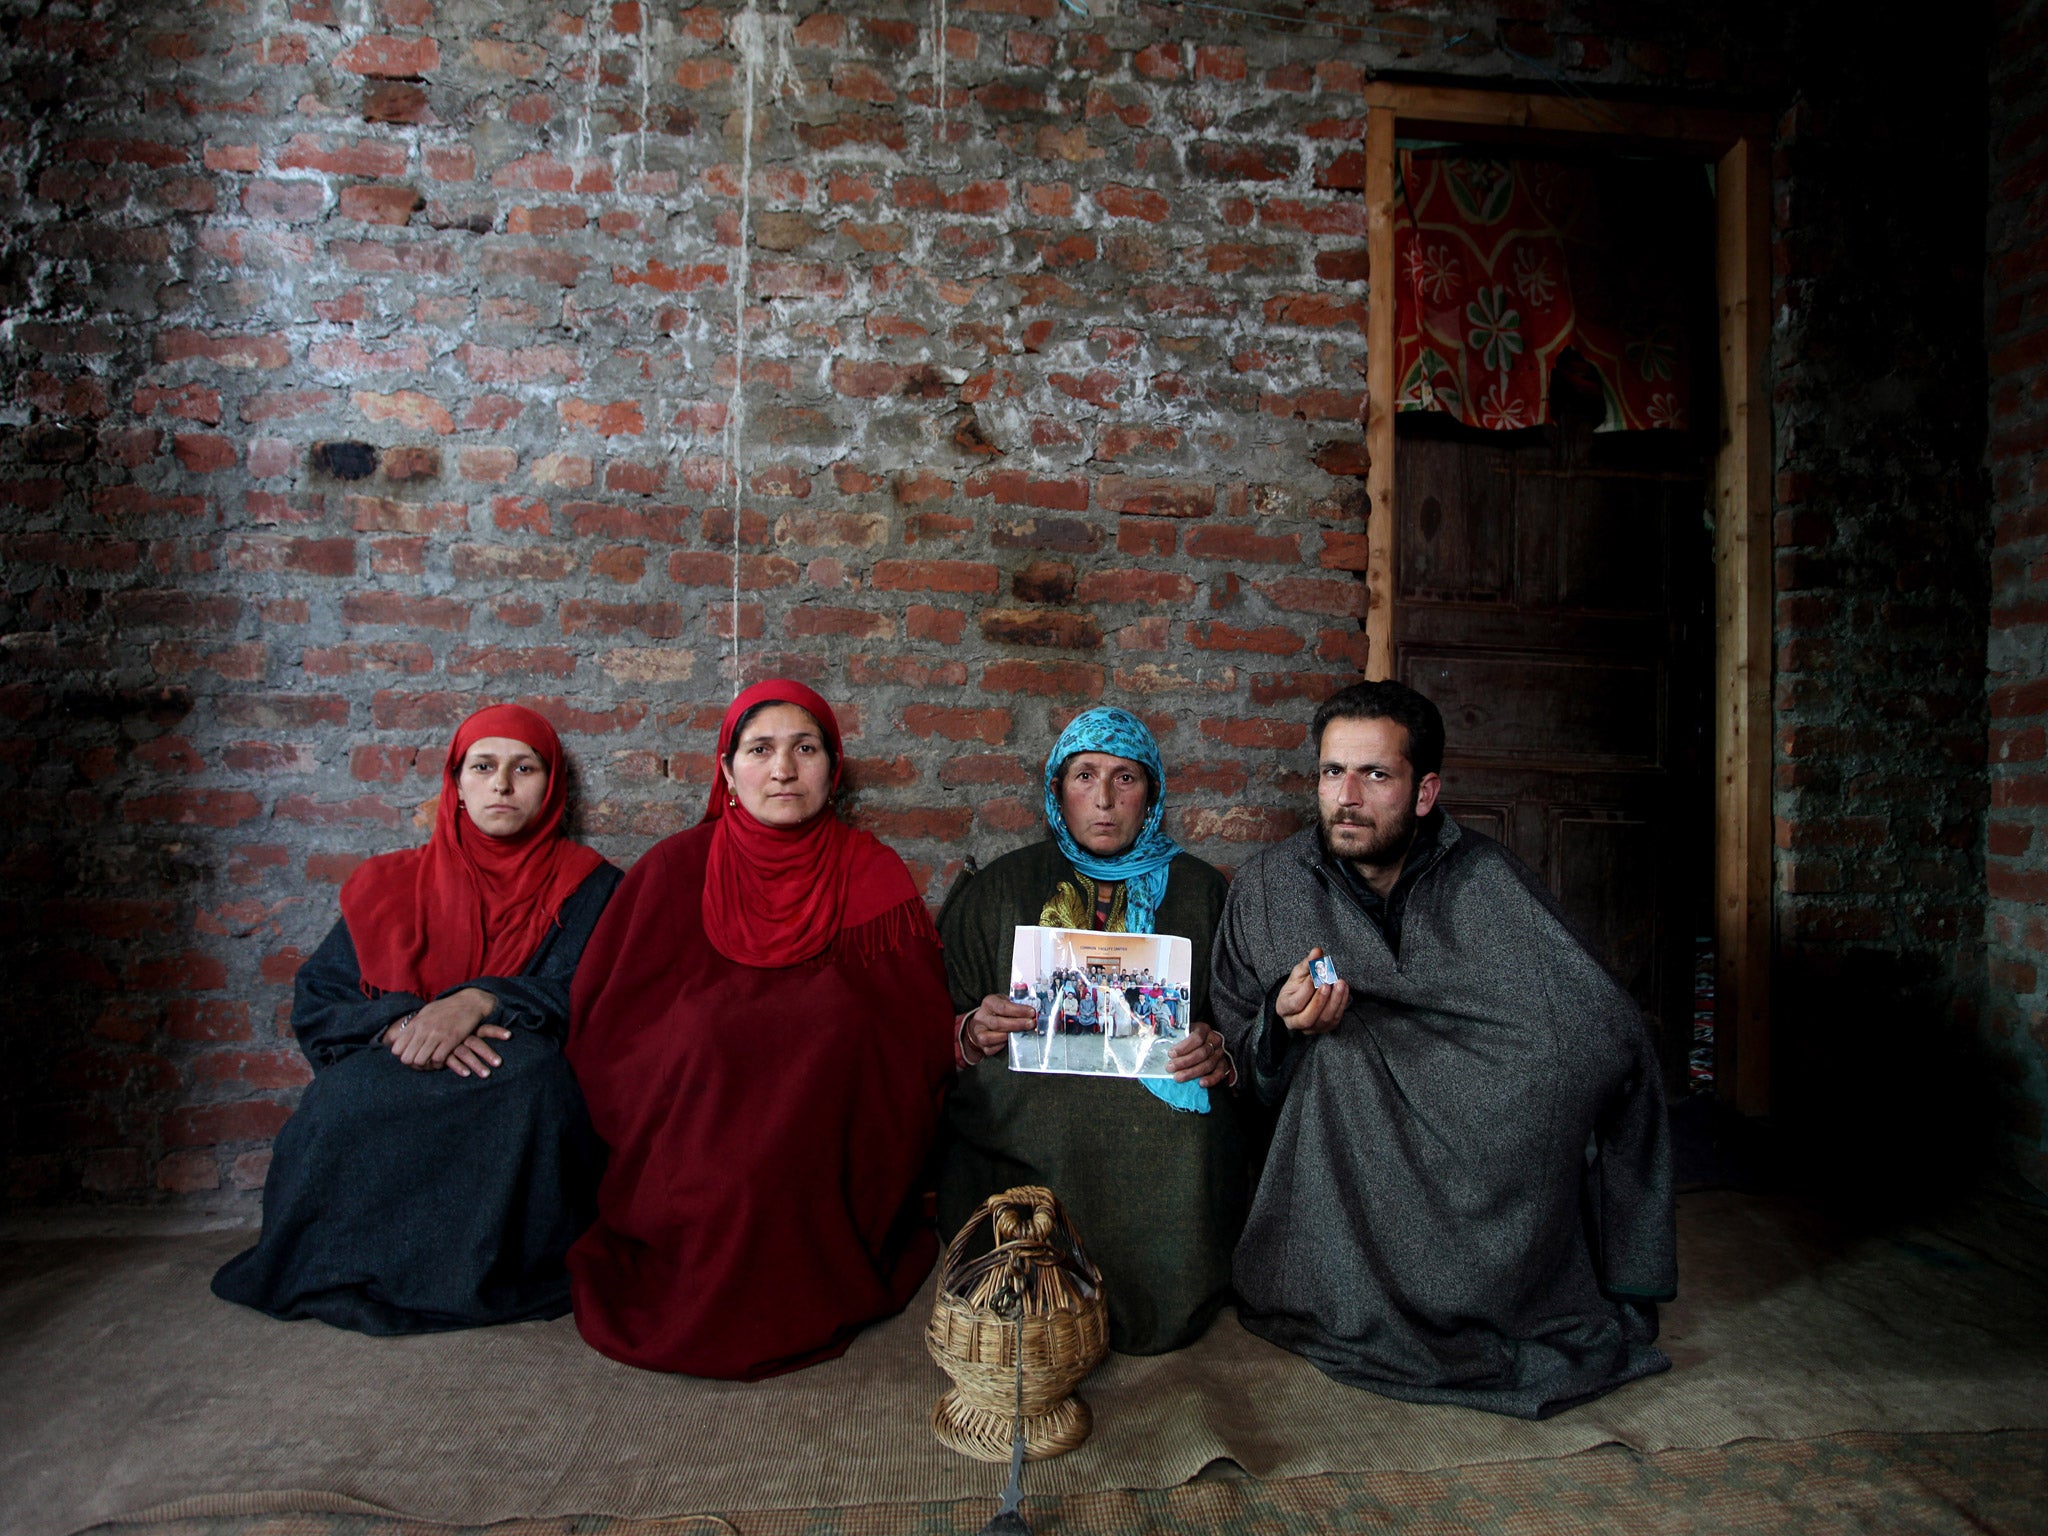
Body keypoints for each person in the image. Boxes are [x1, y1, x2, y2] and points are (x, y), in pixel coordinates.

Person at [1211, 680, 1676, 1419]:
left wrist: (1531, 1082)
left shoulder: (1487, 877)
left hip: (1476, 1152)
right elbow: (1234, 1060)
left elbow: (1597, 1025)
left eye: (1376, 774)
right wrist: (1282, 1024)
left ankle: (1499, 1284)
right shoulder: (1270, 889)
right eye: (1333, 772)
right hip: (1339, 1163)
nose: (1348, 796)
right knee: (1343, 1052)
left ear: (1425, 792)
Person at [565, 679, 957, 1379]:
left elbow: (913, 1040)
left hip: (824, 1148)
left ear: (832, 768)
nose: (783, 769)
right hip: (693, 1136)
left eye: (804, 749)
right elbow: (608, 1033)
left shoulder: (873, 874)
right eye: (760, 749)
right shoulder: (671, 872)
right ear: (726, 772)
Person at [212, 704, 621, 1334]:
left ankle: (476, 1271)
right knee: (340, 1099)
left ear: (552, 785)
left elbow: (602, 995)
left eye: (525, 768)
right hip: (399, 1058)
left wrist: (479, 1000)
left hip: (513, 1072)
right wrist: (406, 1023)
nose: (503, 785)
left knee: (532, 1079)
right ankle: (355, 1263)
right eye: (483, 767)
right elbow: (321, 998)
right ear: (455, 783)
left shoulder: (590, 886)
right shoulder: (388, 884)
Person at [939, 707, 1245, 1354]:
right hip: (1029, 1089)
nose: (1104, 799)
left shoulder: (1198, 892)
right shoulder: (1000, 889)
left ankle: (1158, 1303)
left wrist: (1218, 1051)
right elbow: (939, 1021)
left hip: (1157, 1102)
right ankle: (1025, 1299)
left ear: (1152, 794)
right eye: (1085, 776)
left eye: (1125, 778)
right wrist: (972, 1030)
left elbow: (1239, 1024)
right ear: (1057, 791)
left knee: (1191, 1126)